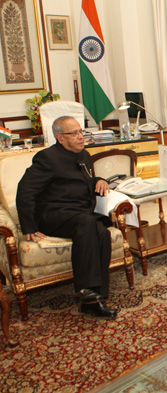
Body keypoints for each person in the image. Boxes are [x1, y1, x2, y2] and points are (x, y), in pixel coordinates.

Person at [16, 116, 117, 319]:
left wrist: (99, 180)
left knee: (102, 232)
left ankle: (96, 297)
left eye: (81, 132)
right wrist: (28, 226)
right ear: (60, 137)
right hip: (53, 214)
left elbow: (84, 180)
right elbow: (25, 190)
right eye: (75, 133)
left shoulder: (85, 155)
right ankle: (86, 291)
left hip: (78, 214)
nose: (81, 137)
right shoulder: (47, 158)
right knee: (88, 223)